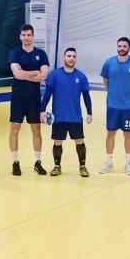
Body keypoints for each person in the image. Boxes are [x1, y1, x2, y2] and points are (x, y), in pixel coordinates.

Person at [40, 48, 93, 177]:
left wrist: (89, 112)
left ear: (76, 59)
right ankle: (57, 166)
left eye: (74, 56)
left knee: (79, 141)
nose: (71, 58)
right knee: (57, 141)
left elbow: (86, 96)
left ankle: (82, 167)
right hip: (59, 117)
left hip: (75, 117)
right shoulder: (54, 75)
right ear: (64, 58)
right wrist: (42, 110)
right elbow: (47, 94)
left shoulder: (81, 76)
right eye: (69, 56)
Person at [99, 37, 130, 175]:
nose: (122, 48)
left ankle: (128, 163)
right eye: (119, 46)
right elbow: (106, 82)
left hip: (128, 107)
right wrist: (114, 93)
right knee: (110, 133)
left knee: (128, 134)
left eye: (124, 46)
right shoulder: (109, 63)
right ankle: (108, 162)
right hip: (112, 105)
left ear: (129, 48)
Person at [8, 24, 50, 176]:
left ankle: (38, 162)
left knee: (36, 130)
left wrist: (24, 74)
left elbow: (44, 76)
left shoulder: (41, 54)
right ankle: (15, 162)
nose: (26, 37)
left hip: (34, 97)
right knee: (15, 129)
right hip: (18, 96)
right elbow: (17, 75)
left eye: (29, 35)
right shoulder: (15, 53)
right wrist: (34, 72)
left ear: (33, 36)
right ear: (20, 36)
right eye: (24, 35)